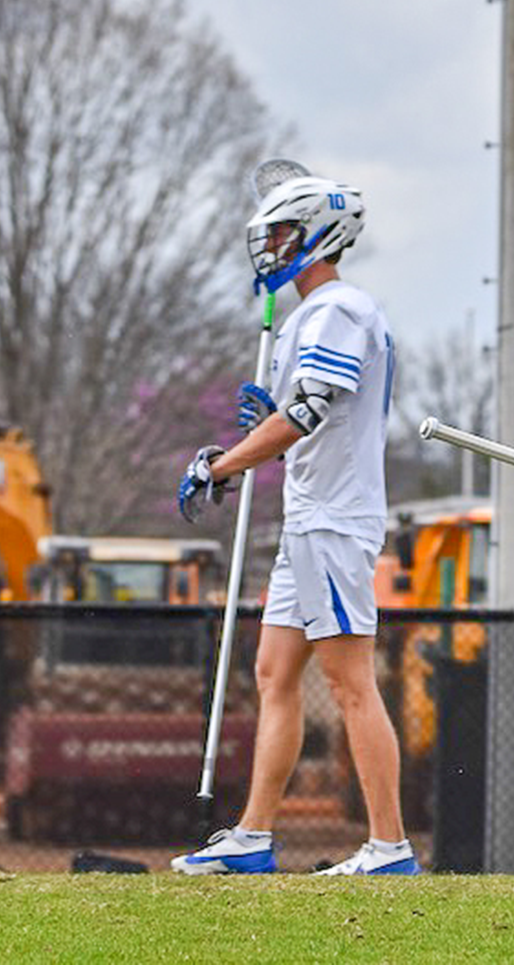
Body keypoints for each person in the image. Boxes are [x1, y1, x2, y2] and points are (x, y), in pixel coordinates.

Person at [170, 167, 414, 877]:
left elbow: (306, 412)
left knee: (350, 683)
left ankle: (389, 847)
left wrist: (224, 464)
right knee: (274, 674)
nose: (270, 246)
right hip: (306, 518)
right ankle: (253, 836)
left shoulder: (338, 309)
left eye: (281, 233)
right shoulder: (310, 317)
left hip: (333, 521)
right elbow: (295, 411)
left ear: (316, 235)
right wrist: (256, 426)